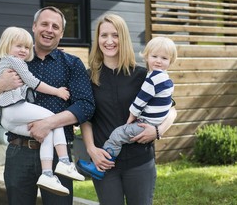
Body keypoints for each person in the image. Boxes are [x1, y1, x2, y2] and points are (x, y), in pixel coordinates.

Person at [0, 6, 95, 205]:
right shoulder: (17, 57)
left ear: (61, 33)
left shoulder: (72, 63)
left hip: (59, 155)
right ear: (34, 27)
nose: (49, 29)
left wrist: (48, 123)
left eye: (55, 26)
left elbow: (85, 105)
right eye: (44, 24)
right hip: (19, 152)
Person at [76, 14, 177, 205]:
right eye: (104, 35)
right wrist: (91, 150)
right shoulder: (89, 77)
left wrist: (157, 131)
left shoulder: (143, 75)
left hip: (140, 162)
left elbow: (171, 109)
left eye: (115, 35)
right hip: (104, 164)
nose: (109, 41)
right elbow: (85, 118)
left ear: (123, 38)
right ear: (97, 39)